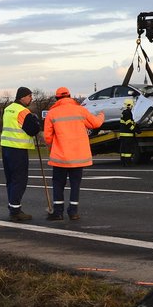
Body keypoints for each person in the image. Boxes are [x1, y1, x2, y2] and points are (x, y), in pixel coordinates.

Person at [43, 87, 104, 220]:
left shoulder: (52, 113)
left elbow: (47, 137)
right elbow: (96, 124)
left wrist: (52, 148)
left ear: (57, 98)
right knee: (75, 184)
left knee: (58, 184)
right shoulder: (80, 110)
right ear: (70, 96)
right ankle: (73, 211)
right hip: (78, 156)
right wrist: (101, 115)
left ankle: (58, 212)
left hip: (60, 157)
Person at [0, 86, 42, 222]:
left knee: (11, 180)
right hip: (18, 149)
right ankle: (15, 210)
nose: (31, 99)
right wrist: (36, 122)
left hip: (6, 148)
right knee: (20, 180)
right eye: (29, 96)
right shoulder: (23, 111)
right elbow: (32, 130)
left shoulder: (8, 109)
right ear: (22, 97)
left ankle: (13, 206)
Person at [119, 99, 138, 166]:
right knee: (127, 150)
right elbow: (129, 124)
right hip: (128, 135)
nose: (132, 107)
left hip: (123, 135)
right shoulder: (127, 113)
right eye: (132, 106)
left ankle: (123, 162)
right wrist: (135, 130)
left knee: (123, 150)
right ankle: (128, 162)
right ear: (129, 105)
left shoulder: (124, 113)